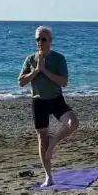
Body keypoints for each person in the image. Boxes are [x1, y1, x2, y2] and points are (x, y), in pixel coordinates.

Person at [19, 26, 80, 186]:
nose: (40, 42)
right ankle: (48, 177)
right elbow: (21, 82)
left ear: (50, 41)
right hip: (38, 101)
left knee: (73, 124)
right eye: (37, 39)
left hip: (56, 99)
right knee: (41, 138)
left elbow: (64, 82)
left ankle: (54, 142)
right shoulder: (30, 59)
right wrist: (35, 71)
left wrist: (45, 71)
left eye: (43, 39)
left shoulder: (59, 58)